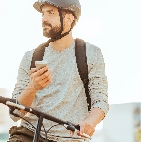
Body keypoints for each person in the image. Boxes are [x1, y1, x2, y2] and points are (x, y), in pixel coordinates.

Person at [8, 0, 109, 141]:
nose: (44, 19)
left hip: (70, 137)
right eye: (43, 14)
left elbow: (100, 101)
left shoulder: (90, 54)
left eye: (51, 13)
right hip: (30, 134)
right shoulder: (30, 57)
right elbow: (14, 114)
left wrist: (89, 123)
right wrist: (32, 87)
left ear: (69, 18)